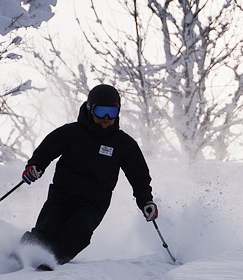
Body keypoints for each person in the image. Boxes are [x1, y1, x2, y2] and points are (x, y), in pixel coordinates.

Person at [20, 84, 158, 266]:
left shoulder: (123, 144)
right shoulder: (71, 133)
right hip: (62, 195)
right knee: (47, 229)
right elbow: (46, 151)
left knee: (79, 230)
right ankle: (20, 257)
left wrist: (146, 201)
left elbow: (139, 176)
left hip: (94, 203)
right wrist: (35, 167)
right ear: (90, 108)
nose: (107, 118)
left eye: (112, 112)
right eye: (101, 111)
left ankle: (51, 261)